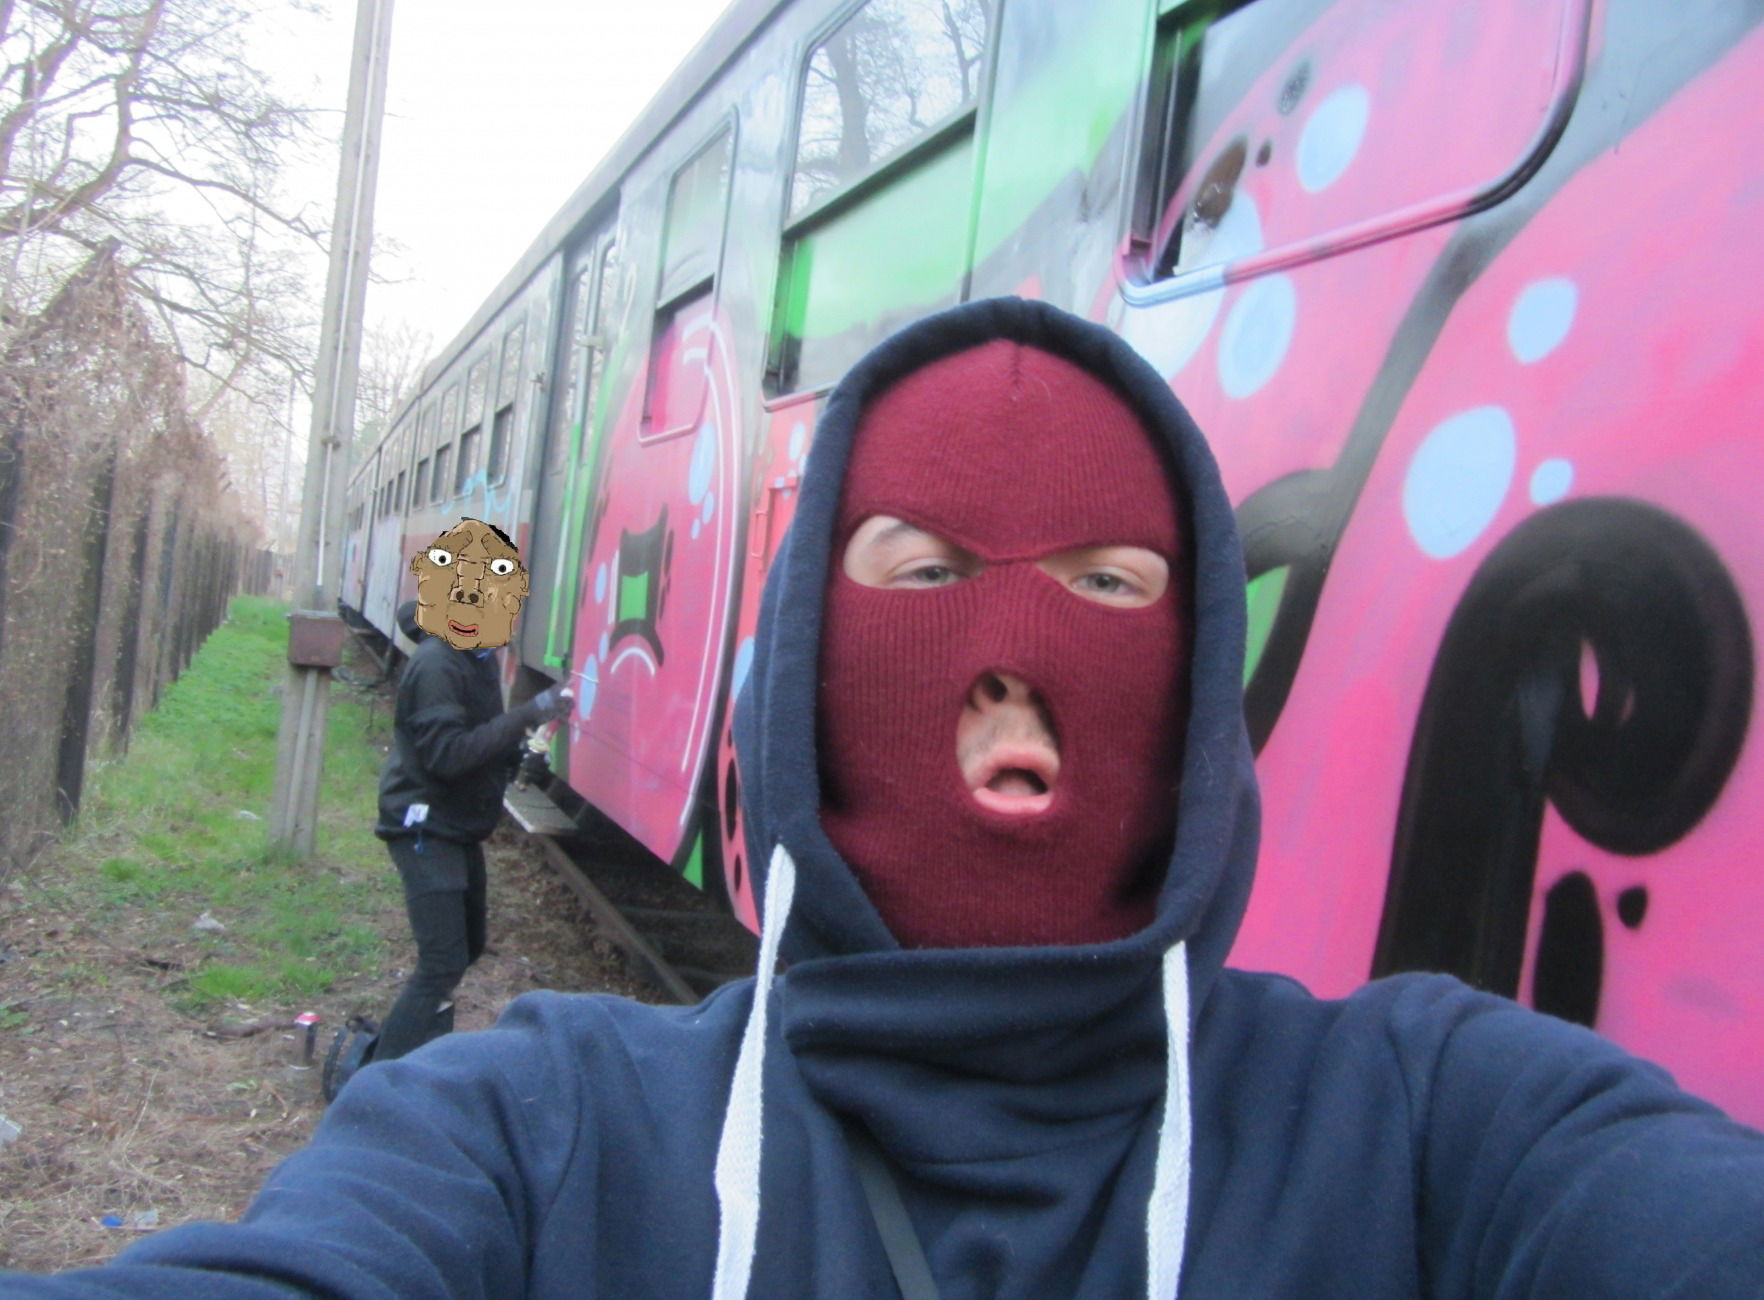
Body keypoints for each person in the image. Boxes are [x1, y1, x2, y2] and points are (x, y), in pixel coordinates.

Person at [7, 299, 1762, 1296]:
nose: (1010, 660)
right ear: (808, 674)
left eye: (1105, 588)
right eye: (922, 576)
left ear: (1192, 680)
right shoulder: (542, 1133)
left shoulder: (1436, 1126)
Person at [371, 518, 570, 1063]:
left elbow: (479, 738)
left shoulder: (475, 655)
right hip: (423, 826)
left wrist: (521, 756)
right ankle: (378, 1083)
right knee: (440, 964)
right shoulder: (437, 664)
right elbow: (448, 755)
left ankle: (419, 1059)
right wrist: (528, 713)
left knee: (467, 947)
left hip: (454, 825)